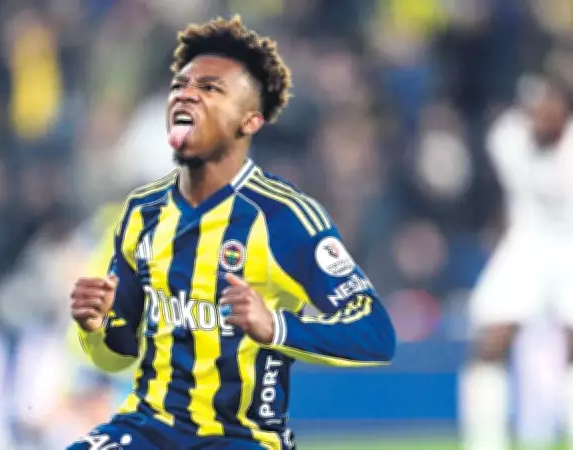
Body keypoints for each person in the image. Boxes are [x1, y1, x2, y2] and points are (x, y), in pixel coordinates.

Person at [67, 15, 396, 450]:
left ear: (248, 122)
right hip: (148, 428)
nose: (186, 95)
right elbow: (117, 356)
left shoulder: (283, 217)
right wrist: (95, 327)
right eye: (181, 85)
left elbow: (375, 333)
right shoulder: (141, 213)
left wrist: (276, 327)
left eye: (210, 89)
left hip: (241, 437)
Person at [460, 71, 573, 450]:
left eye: (546, 108)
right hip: (529, 239)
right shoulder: (508, 138)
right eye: (532, 109)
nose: (538, 117)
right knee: (491, 335)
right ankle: (484, 442)